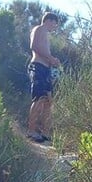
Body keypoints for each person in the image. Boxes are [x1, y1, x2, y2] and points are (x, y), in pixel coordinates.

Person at [27, 12, 61, 143]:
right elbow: (34, 46)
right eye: (55, 23)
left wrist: (53, 61)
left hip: (46, 70)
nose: (55, 27)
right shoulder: (39, 29)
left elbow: (45, 52)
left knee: (48, 101)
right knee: (39, 98)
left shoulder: (46, 34)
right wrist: (50, 58)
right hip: (37, 67)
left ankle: (45, 133)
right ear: (49, 20)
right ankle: (31, 130)